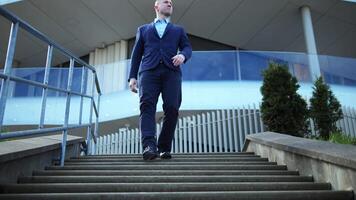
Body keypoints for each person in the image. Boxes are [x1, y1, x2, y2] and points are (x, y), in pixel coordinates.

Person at [128, 0, 192, 160]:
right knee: (147, 107)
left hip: (172, 73)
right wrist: (132, 77)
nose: (170, 3)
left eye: (171, 2)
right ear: (156, 7)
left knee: (172, 108)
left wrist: (183, 55)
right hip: (148, 72)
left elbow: (187, 48)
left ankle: (164, 147)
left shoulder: (178, 30)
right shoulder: (143, 30)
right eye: (166, 1)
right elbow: (136, 55)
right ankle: (149, 146)